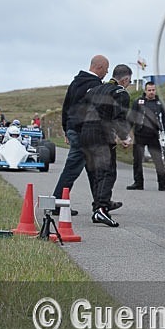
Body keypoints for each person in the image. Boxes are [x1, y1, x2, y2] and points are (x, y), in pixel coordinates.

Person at [50, 55, 110, 216]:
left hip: (73, 129)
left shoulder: (76, 82)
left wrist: (66, 129)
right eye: (106, 69)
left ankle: (101, 202)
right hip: (85, 133)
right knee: (72, 169)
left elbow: (66, 106)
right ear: (99, 67)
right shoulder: (95, 85)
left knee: (92, 169)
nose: (107, 72)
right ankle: (56, 202)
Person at [79, 64, 133, 227]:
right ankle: (101, 209)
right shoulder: (120, 93)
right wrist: (124, 137)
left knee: (94, 173)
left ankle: (100, 204)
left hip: (85, 133)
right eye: (129, 81)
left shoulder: (94, 89)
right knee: (107, 172)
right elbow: (118, 118)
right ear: (124, 79)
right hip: (101, 135)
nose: (128, 84)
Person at [127, 81, 165, 191]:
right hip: (140, 135)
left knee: (158, 161)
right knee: (137, 160)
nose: (151, 92)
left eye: (153, 90)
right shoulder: (138, 102)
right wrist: (126, 134)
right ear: (145, 90)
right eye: (149, 90)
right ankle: (138, 183)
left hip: (153, 136)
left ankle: (163, 184)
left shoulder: (159, 103)